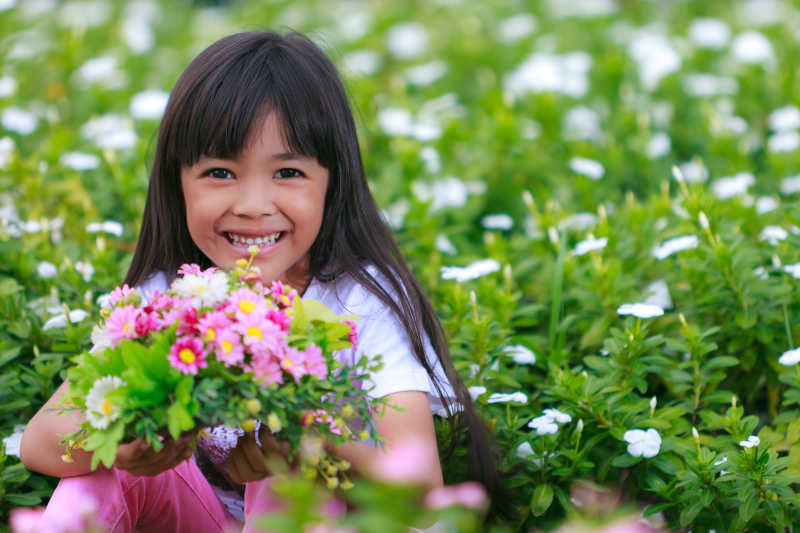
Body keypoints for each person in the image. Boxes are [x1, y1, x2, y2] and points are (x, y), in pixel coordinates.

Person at [20, 31, 500, 532]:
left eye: (288, 171)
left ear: (332, 182)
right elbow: (41, 440)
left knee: (288, 476)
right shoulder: (170, 298)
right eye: (220, 173)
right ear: (175, 182)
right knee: (95, 474)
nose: (252, 204)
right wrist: (126, 445)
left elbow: (418, 485)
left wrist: (307, 437)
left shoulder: (359, 302)